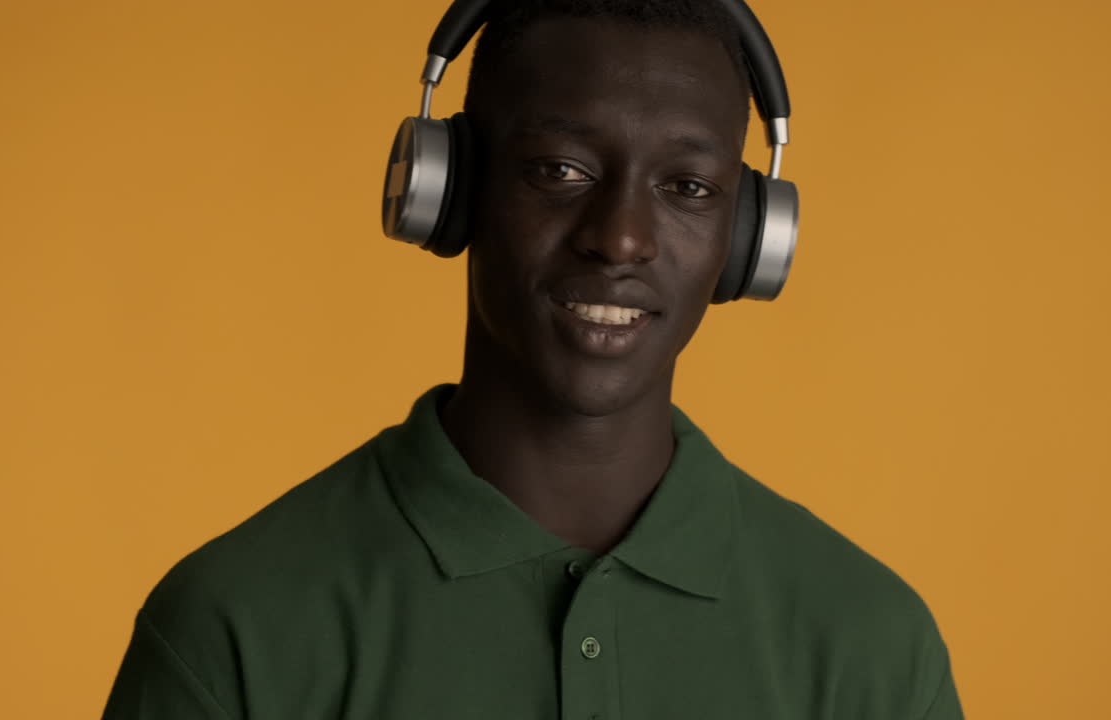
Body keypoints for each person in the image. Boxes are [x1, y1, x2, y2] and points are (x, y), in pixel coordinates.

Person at [102, 1, 964, 718]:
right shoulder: (232, 629)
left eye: (688, 188)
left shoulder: (874, 650)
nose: (620, 238)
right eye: (560, 169)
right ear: (449, 187)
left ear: (745, 240)